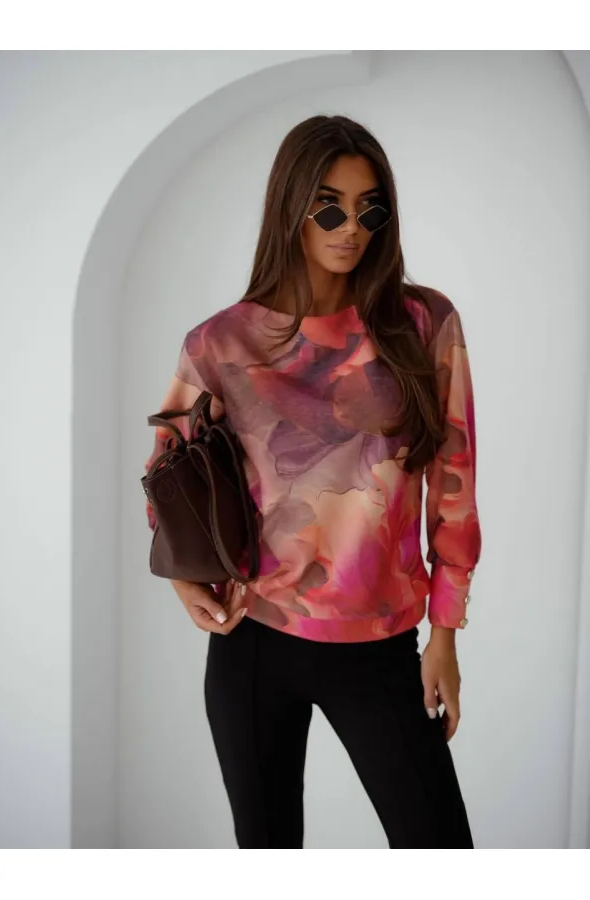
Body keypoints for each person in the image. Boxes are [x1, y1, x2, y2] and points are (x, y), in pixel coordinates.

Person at [143, 114, 482, 849]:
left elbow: (455, 484)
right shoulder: (221, 342)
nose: (351, 228)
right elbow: (166, 475)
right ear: (291, 207)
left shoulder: (424, 323)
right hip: (254, 643)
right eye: (329, 207)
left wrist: (445, 636)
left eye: (370, 209)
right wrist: (184, 581)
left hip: (381, 645)